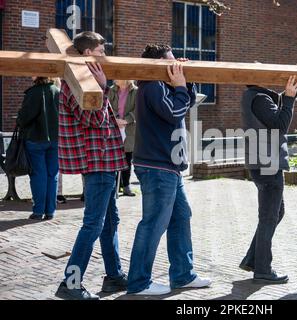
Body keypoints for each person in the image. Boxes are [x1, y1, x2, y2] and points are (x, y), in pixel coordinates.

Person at [127, 44, 211, 296]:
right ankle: (139, 282)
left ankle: (183, 275)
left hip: (168, 166)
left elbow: (184, 104)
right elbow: (176, 111)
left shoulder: (162, 85)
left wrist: (186, 82)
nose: (176, 65)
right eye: (171, 62)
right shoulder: (152, 85)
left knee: (180, 217)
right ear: (158, 64)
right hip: (157, 166)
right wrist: (181, 86)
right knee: (153, 224)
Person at [55, 31, 128, 300]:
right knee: (94, 224)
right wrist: (104, 86)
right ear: (88, 54)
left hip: (105, 160)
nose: (104, 56)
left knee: (110, 221)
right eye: (101, 51)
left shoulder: (87, 81)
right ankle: (70, 283)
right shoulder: (79, 83)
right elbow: (94, 120)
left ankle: (114, 276)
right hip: (97, 161)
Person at [239, 76, 297, 284]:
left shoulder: (253, 96)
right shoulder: (260, 98)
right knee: (269, 216)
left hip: (262, 162)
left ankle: (253, 259)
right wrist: (290, 99)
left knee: (275, 212)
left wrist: (288, 95)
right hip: (268, 163)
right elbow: (279, 125)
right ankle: (263, 269)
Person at [17, 77, 60, 220]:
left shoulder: (33, 93)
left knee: (38, 175)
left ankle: (38, 210)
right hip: (55, 139)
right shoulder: (57, 91)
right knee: (52, 175)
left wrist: (19, 117)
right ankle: (50, 211)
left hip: (35, 139)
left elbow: (24, 118)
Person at [108, 80, 138, 196]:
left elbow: (137, 109)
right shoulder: (111, 90)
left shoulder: (135, 91)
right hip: (114, 127)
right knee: (114, 158)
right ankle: (114, 187)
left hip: (129, 128)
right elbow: (107, 105)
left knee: (127, 159)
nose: (115, 79)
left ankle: (126, 186)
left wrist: (126, 120)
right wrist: (115, 119)